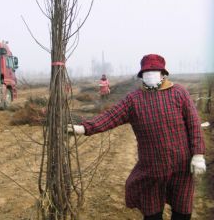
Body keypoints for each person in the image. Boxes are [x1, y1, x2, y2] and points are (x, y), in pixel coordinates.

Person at [69, 54, 206, 220]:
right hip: (151, 168)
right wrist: (84, 128)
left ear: (163, 73)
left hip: (182, 166)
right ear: (141, 75)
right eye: (147, 71)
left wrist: (198, 155)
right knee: (152, 213)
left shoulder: (179, 93)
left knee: (182, 210)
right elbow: (111, 116)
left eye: (154, 70)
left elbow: (193, 124)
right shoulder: (133, 100)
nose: (150, 74)